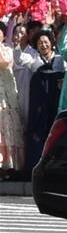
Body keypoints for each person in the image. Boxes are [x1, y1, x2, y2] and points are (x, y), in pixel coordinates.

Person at [24, 30, 65, 173]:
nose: (43, 45)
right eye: (40, 43)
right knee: (38, 132)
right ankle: (36, 168)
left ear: (52, 43)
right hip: (39, 103)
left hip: (56, 100)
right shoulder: (34, 62)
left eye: (46, 42)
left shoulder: (60, 60)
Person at [0, 39, 25, 177]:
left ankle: (7, 167)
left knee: (7, 129)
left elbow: (5, 62)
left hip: (6, 99)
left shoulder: (7, 50)